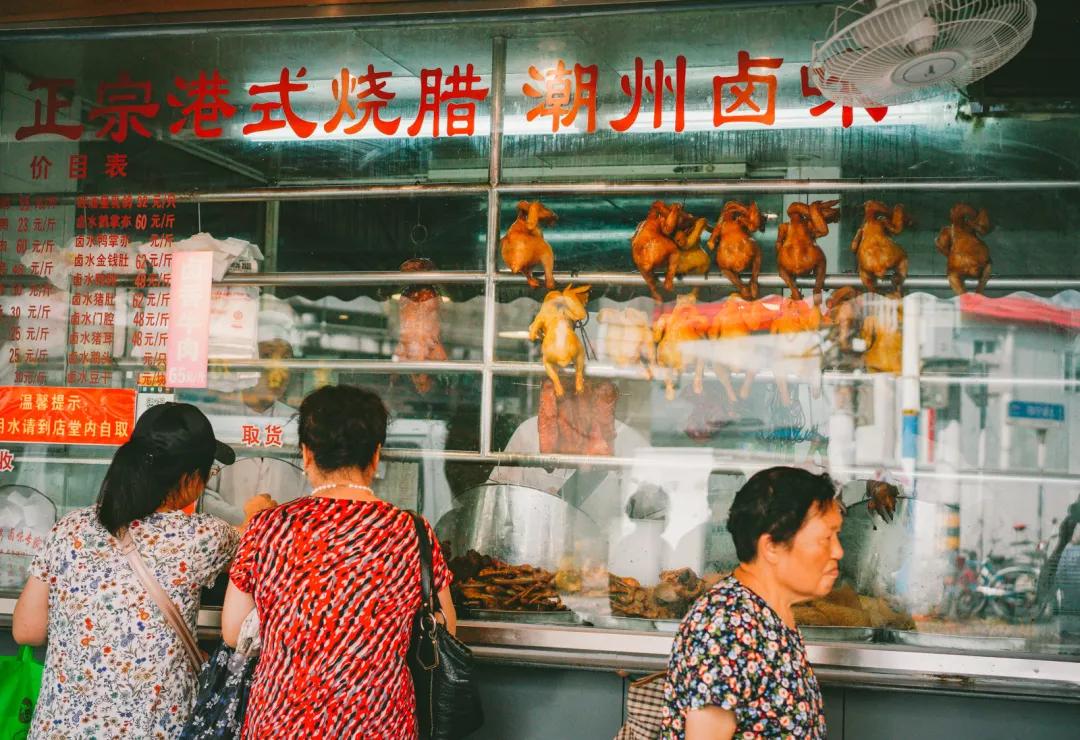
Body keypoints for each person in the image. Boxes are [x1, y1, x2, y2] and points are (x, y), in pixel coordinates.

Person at [221, 384, 456, 738]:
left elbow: (234, 631)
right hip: (380, 723)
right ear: (376, 456)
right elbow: (446, 629)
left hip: (281, 722)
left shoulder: (267, 527)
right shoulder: (412, 532)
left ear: (306, 454)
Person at [12, 403, 242, 739]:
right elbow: (258, 538)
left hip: (60, 730)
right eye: (209, 472)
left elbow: (27, 630)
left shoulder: (71, 527)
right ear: (190, 478)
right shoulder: (203, 537)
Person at [661, 466, 841, 739]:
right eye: (826, 538)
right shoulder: (726, 628)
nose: (838, 551)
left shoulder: (767, 613)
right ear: (771, 547)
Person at [201, 294, 307, 525]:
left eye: (286, 358)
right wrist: (248, 520)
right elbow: (201, 493)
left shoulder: (299, 424)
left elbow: (309, 490)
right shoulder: (218, 416)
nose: (278, 369)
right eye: (267, 356)